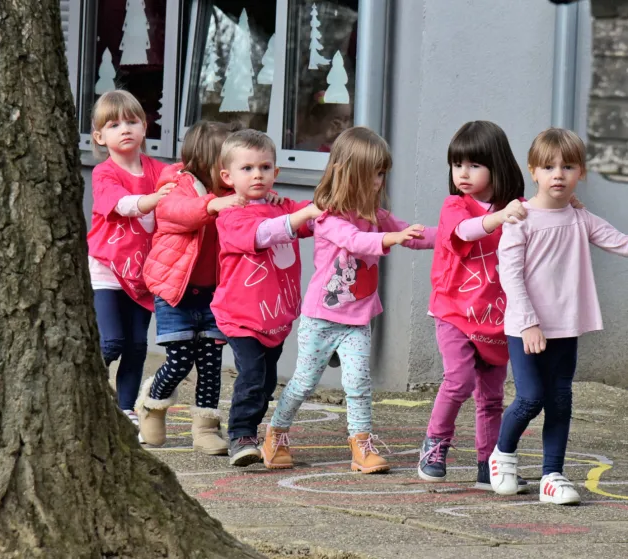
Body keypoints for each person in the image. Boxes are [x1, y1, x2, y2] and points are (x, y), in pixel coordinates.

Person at [263, 127, 435, 473]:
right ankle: (276, 433)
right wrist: (392, 237)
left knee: (358, 383)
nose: (379, 180)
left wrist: (463, 232)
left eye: (382, 173)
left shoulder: (377, 217)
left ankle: (361, 445)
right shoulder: (326, 217)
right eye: (374, 173)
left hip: (357, 320)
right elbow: (355, 241)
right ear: (351, 173)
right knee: (304, 383)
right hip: (321, 318)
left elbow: (418, 236)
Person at [490, 128, 628, 506]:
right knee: (530, 398)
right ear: (533, 171)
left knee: (561, 399)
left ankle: (552, 474)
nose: (558, 174)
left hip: (565, 326)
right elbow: (511, 276)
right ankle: (503, 456)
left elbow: (619, 241)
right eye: (548, 167)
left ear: (580, 173)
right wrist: (530, 321)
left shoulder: (580, 218)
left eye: (568, 166)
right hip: (526, 326)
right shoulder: (520, 219)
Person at [417, 121, 542, 491]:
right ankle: (434, 445)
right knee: (459, 379)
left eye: (474, 165)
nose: (463, 173)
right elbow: (466, 231)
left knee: (491, 397)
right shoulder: (455, 205)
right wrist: (499, 218)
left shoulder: (516, 209)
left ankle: (489, 465)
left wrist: (567, 206)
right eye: (457, 165)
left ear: (497, 166)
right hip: (454, 310)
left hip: (497, 318)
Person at [211, 129, 322, 466]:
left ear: (276, 172)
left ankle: (251, 429)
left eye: (264, 167)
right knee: (252, 375)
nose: (257, 174)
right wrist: (297, 217)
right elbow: (263, 234)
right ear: (227, 176)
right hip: (239, 314)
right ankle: (240, 435)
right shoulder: (230, 214)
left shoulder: (284, 206)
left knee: (267, 380)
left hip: (275, 317)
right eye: (247, 168)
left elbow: (314, 220)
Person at [136, 120, 245, 454]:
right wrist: (211, 205)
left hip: (215, 293)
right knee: (181, 359)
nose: (231, 170)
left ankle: (206, 428)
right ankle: (151, 405)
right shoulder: (176, 184)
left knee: (211, 361)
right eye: (227, 162)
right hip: (176, 292)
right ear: (206, 160)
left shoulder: (232, 192)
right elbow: (176, 213)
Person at [86, 90, 169, 430]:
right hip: (107, 267)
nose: (125, 129)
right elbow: (122, 205)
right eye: (114, 124)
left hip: (144, 274)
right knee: (112, 341)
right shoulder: (104, 173)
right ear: (99, 136)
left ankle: (125, 409)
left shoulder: (160, 171)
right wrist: (154, 199)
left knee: (136, 345)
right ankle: (87, 391)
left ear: (145, 127)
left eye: (132, 121)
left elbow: (188, 191)